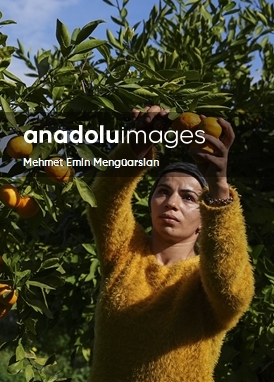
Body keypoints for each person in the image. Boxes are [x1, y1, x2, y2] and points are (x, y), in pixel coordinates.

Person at [86, 106, 255, 382]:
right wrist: (135, 150)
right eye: (163, 192)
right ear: (151, 204)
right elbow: (103, 203)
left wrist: (219, 189)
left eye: (188, 197)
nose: (171, 202)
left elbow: (231, 289)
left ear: (205, 218)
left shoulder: (203, 283)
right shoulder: (126, 255)